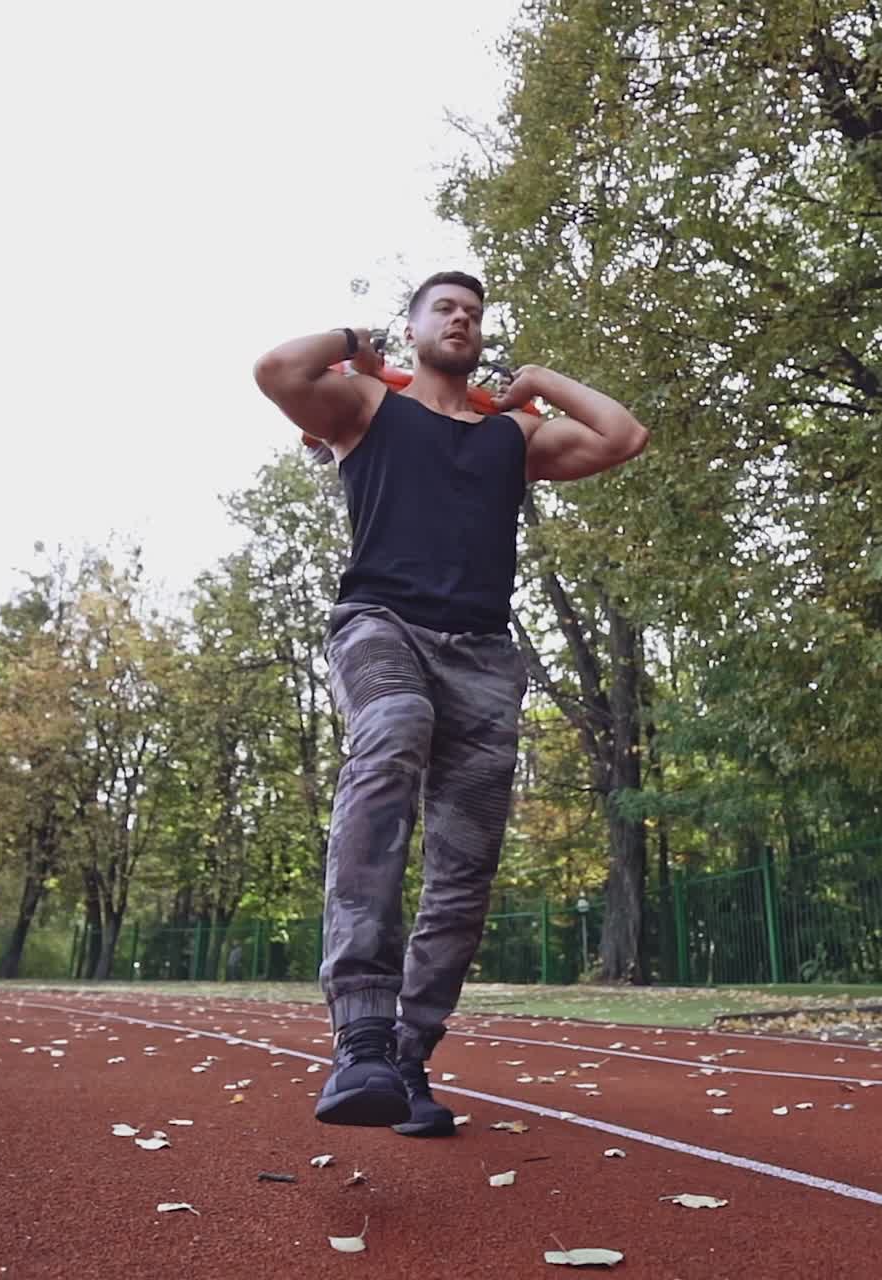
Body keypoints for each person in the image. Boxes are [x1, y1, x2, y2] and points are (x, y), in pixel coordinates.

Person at [252, 271, 648, 1135]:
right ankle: (360, 1030)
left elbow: (623, 435)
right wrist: (353, 343)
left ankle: (406, 1058)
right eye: (445, 308)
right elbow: (277, 370)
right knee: (395, 728)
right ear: (415, 328)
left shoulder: (513, 434)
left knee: (466, 864)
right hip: (380, 624)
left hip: (484, 656)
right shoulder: (365, 406)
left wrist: (538, 380)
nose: (461, 319)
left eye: (473, 312)